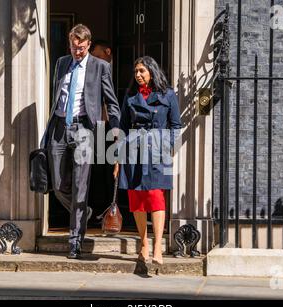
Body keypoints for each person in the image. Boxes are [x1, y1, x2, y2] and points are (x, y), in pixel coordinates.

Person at [44, 24, 121, 259]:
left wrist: (115, 128)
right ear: (70, 43)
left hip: (84, 129)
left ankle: (75, 241)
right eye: (74, 47)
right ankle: (83, 211)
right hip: (59, 126)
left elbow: (110, 98)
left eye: (81, 47)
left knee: (80, 187)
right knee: (57, 185)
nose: (77, 51)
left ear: (88, 44)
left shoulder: (101, 66)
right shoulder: (61, 63)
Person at [114, 56, 182, 265]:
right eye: (136, 72)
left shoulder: (168, 95)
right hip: (133, 151)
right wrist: (117, 159)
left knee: (156, 196)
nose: (138, 75)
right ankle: (143, 243)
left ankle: (158, 247)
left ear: (152, 71)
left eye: (142, 71)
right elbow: (123, 128)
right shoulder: (131, 97)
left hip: (157, 151)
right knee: (137, 200)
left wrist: (167, 146)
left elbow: (176, 125)